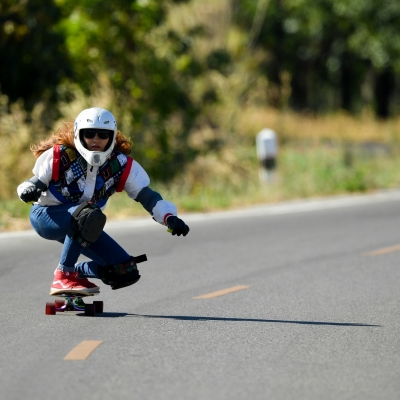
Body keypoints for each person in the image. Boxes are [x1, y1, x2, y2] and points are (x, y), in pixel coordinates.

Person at [17, 107, 189, 295]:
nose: (96, 139)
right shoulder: (61, 155)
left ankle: (77, 272)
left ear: (112, 137)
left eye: (103, 134)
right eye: (89, 133)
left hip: (86, 223)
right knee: (88, 214)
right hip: (48, 217)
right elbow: (33, 183)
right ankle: (63, 275)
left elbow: (148, 197)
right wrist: (27, 190)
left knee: (124, 270)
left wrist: (168, 217)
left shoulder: (121, 165)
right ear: (79, 134)